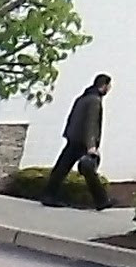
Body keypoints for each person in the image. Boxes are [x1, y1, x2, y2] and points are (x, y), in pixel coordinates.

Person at [44, 73, 112, 209]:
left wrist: (68, 134)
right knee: (88, 170)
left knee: (61, 168)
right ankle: (102, 200)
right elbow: (91, 123)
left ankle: (48, 195)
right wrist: (91, 145)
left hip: (73, 137)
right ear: (104, 86)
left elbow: (72, 117)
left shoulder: (83, 97)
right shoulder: (94, 100)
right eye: (109, 86)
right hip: (82, 141)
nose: (109, 89)